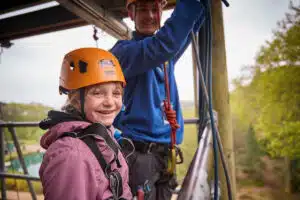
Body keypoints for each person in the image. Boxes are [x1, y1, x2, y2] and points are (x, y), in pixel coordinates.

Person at [110, 0, 206, 199]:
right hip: (139, 159)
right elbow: (163, 44)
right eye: (143, 9)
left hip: (165, 154)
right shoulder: (123, 52)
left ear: (162, 11)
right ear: (131, 13)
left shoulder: (162, 55)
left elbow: (185, 32)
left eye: (155, 9)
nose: (151, 16)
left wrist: (203, 6)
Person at [38, 48, 132, 200]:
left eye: (116, 93)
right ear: (76, 100)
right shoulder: (72, 154)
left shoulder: (101, 135)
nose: (109, 102)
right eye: (97, 93)